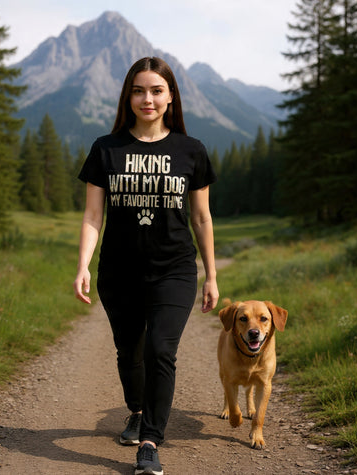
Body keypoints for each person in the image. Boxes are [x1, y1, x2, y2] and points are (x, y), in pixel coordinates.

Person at [73, 56, 219, 475]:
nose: (147, 98)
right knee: (129, 351)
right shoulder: (107, 148)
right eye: (139, 90)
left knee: (161, 351)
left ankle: (151, 441)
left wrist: (211, 274)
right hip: (118, 272)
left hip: (173, 270)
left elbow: (202, 218)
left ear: (171, 96)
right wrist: (83, 264)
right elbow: (92, 216)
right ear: (128, 97)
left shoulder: (191, 151)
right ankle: (136, 410)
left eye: (156, 90)